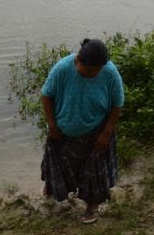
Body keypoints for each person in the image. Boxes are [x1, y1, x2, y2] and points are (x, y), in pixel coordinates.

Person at [40, 38, 124, 223]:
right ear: (78, 60)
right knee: (58, 165)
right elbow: (46, 95)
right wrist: (52, 126)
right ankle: (53, 187)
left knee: (94, 172)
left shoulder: (109, 72)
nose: (92, 74)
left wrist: (106, 133)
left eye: (96, 71)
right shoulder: (62, 68)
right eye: (88, 70)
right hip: (63, 131)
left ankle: (92, 205)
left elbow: (117, 104)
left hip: (95, 131)